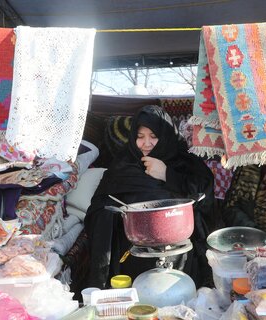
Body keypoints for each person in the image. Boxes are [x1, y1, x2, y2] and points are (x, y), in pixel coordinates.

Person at [84, 105, 215, 289]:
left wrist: (167, 175)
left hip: (179, 255)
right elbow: (98, 207)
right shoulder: (123, 164)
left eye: (154, 136)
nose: (146, 143)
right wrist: (117, 216)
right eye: (140, 136)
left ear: (167, 135)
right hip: (131, 255)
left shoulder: (186, 163)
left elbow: (205, 199)